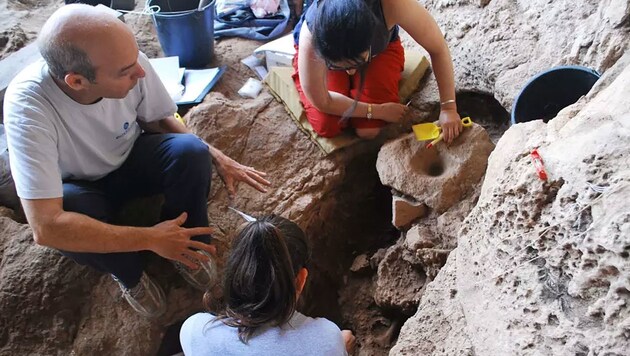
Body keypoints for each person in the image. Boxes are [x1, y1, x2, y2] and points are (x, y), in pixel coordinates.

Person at [3, 4, 271, 318]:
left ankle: (188, 245)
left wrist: (215, 154)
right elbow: (45, 227)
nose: (141, 72)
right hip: (81, 185)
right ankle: (130, 273)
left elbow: (161, 119)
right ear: (77, 81)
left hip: (130, 158)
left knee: (191, 152)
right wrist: (151, 238)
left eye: (135, 59)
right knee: (72, 212)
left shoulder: (127, 61)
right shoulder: (28, 108)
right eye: (125, 71)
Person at [180, 215, 355, 355]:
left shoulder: (197, 331)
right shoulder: (327, 338)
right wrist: (340, 346)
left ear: (235, 271)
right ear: (301, 279)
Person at [292, 0, 464, 141]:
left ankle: (352, 63)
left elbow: (438, 48)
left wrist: (448, 108)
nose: (351, 72)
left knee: (369, 130)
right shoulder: (312, 35)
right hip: (334, 50)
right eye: (341, 66)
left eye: (357, 63)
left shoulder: (391, 6)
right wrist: (376, 110)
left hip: (378, 52)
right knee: (327, 125)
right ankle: (342, 66)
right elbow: (323, 101)